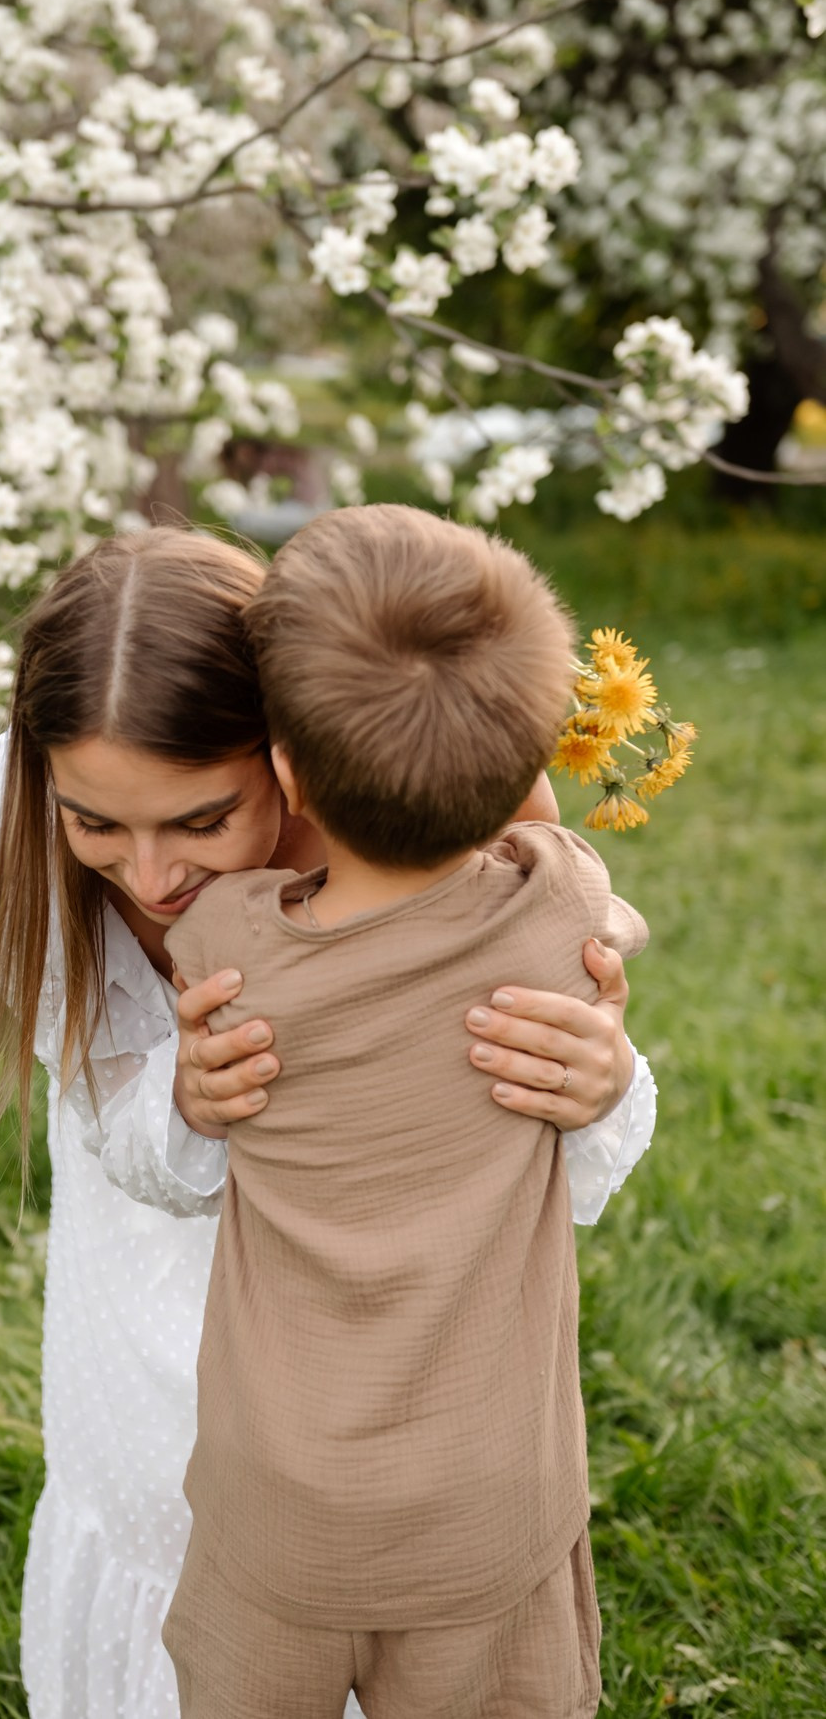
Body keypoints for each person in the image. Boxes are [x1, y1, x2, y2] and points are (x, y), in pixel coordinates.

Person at [0, 524, 657, 1719]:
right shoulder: (14, 829)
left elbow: (524, 1088)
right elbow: (113, 1117)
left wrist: (597, 1077)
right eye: (98, 825)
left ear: (290, 760)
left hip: (412, 1329)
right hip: (154, 1279)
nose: (152, 874)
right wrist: (179, 1100)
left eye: (202, 818)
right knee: (186, 1524)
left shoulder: (415, 805)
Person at [162, 505, 648, 1718]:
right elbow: (574, 870)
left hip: (272, 1510)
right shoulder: (557, 910)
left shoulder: (225, 945)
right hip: (486, 1505)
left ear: (285, 773)